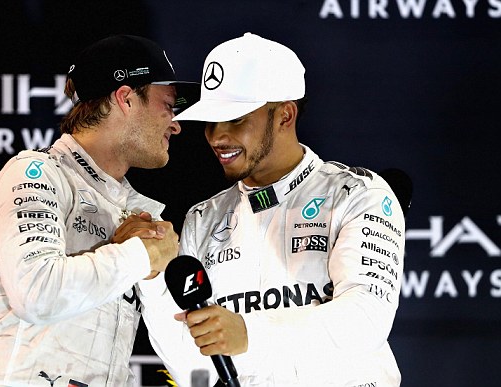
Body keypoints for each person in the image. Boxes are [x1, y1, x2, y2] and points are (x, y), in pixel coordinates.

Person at [139, 33, 406, 386]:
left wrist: (249, 333)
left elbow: (365, 319)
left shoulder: (358, 193)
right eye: (211, 120)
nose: (216, 136)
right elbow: (194, 370)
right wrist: (152, 279)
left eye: (235, 119)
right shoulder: (203, 220)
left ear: (285, 115)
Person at [0, 34, 197, 387]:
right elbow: (37, 294)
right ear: (125, 98)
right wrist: (139, 255)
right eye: (168, 105)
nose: (175, 123)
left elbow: (185, 360)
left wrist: (154, 275)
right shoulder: (37, 173)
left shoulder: (141, 214)